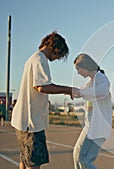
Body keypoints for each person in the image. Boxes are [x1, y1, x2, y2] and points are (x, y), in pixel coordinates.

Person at [11, 32, 79, 169]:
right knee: (33, 163)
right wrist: (68, 90)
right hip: (31, 122)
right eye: (59, 55)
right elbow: (41, 87)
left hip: (23, 121)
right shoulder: (40, 60)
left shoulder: (33, 58)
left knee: (25, 160)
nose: (57, 58)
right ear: (55, 48)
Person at [72, 53, 113, 169]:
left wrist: (80, 93)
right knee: (78, 155)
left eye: (78, 69)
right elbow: (81, 91)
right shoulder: (90, 83)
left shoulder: (101, 78)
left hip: (99, 127)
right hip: (91, 126)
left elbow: (103, 91)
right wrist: (74, 91)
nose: (78, 72)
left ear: (86, 66)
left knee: (84, 159)